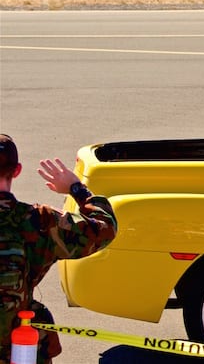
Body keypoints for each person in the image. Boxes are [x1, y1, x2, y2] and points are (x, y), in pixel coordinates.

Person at [0, 134, 118, 363]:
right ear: (17, 171)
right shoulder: (40, 221)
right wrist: (77, 189)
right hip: (21, 349)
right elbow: (105, 229)